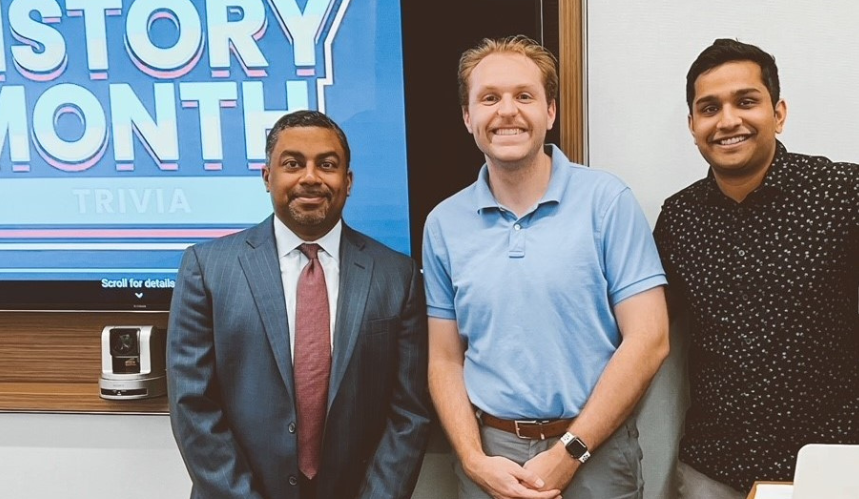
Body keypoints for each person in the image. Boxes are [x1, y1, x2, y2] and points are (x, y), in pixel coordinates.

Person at [423, 35, 670, 499]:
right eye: (489, 98)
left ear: (550, 112)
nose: (507, 111)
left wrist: (570, 451)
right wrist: (474, 459)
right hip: (490, 458)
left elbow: (650, 339)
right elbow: (444, 358)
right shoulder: (443, 224)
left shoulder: (606, 201)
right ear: (467, 117)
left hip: (595, 449)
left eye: (524, 96)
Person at [167, 110, 431, 499]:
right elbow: (192, 404)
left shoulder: (398, 276)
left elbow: (409, 412)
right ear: (267, 176)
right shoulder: (207, 269)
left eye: (327, 164)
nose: (310, 177)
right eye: (293, 164)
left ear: (349, 181)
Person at [654, 38, 859, 498]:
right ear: (692, 126)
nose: (728, 121)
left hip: (827, 466)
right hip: (712, 470)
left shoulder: (842, 194)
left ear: (778, 113)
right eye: (709, 108)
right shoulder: (679, 217)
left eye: (746, 102)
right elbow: (645, 333)